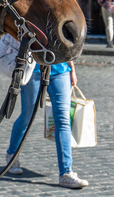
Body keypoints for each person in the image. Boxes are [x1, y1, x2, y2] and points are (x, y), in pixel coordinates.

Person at [6, 60, 89, 189]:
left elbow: (66, 43)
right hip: (33, 68)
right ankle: (12, 155)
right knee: (27, 116)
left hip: (60, 69)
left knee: (63, 119)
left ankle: (66, 173)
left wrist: (71, 67)